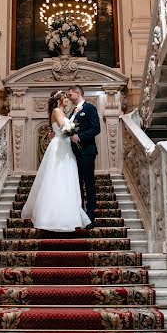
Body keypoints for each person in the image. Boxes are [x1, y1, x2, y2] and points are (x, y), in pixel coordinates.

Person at [21, 90, 91, 232]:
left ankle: (69, 215)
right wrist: (75, 117)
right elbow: (64, 129)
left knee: (67, 179)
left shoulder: (61, 112)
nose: (67, 100)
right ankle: (54, 217)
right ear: (59, 99)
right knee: (59, 178)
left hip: (64, 146)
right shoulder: (58, 111)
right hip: (60, 147)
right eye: (65, 98)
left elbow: (60, 129)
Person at [68, 85, 101, 228]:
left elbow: (96, 128)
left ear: (78, 93)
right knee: (78, 183)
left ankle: (91, 214)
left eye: (70, 94)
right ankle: (79, 213)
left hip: (87, 151)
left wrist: (80, 136)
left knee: (88, 182)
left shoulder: (90, 108)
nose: (69, 97)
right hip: (75, 153)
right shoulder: (72, 112)